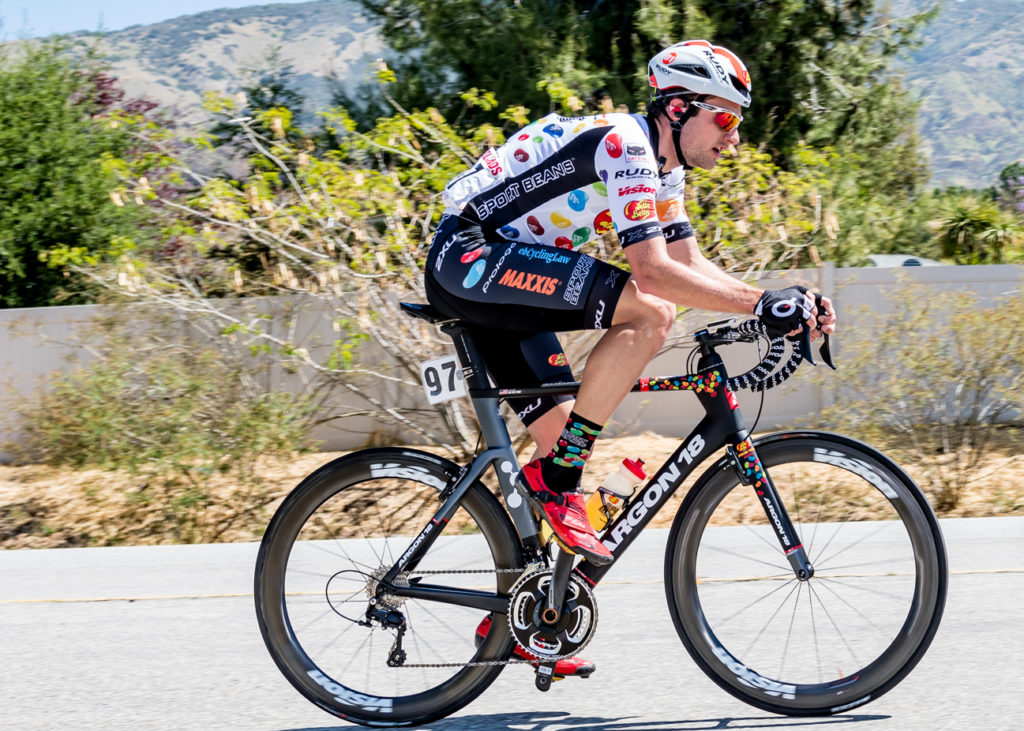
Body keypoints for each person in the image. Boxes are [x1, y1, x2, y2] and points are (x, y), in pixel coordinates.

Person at [425, 40, 836, 677]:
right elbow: (652, 273)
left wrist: (786, 300)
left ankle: (524, 621)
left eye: (739, 123)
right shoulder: (624, 144)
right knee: (651, 312)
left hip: (506, 286)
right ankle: (557, 482)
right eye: (724, 118)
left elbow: (690, 263)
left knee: (566, 444)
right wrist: (761, 304)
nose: (733, 138)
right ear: (678, 107)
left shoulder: (662, 168)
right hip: (470, 257)